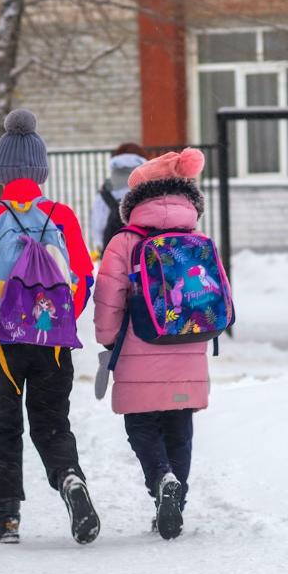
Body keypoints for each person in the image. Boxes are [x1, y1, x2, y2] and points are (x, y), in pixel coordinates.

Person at [0, 109, 99, 545]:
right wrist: (58, 319)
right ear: (41, 171)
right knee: (52, 421)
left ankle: (8, 518)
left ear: (0, 172)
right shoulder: (61, 215)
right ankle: (69, 478)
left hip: (2, 344)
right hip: (53, 343)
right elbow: (84, 276)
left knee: (2, 423)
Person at [93, 148, 211, 540]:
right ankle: (177, 498)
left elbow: (109, 297)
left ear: (135, 200)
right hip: (189, 344)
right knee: (180, 425)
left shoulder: (124, 241)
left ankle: (162, 480)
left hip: (139, 344)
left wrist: (108, 341)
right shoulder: (197, 238)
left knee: (141, 424)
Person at [89, 143, 148, 258]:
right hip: (145, 247)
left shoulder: (107, 188)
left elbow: (98, 222)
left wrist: (99, 244)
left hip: (113, 248)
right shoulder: (149, 184)